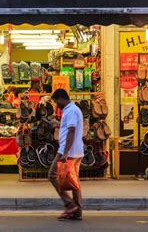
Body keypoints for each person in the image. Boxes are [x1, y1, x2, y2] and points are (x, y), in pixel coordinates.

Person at [49, 88, 84, 221]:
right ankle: (77, 211)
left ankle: (70, 205)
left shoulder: (71, 111)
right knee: (74, 182)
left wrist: (65, 153)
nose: (56, 104)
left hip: (69, 151)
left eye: (56, 101)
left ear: (62, 98)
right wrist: (58, 125)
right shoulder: (71, 110)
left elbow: (71, 131)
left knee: (52, 175)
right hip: (75, 151)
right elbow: (68, 128)